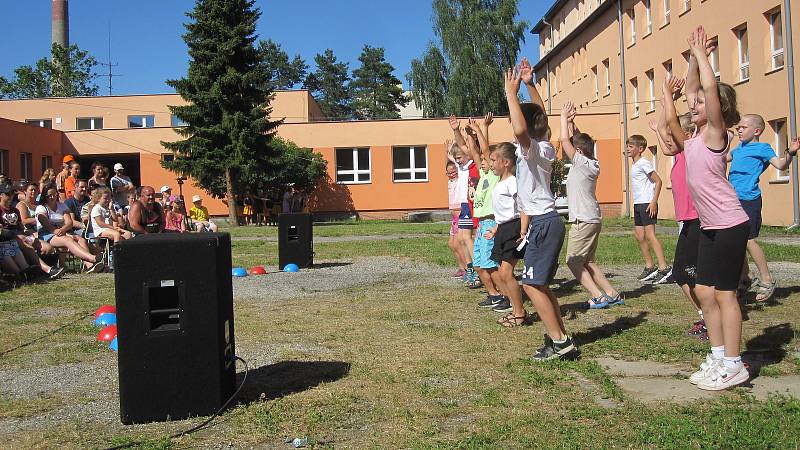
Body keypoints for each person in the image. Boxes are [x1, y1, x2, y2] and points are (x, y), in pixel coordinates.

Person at [663, 26, 750, 390]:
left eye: (698, 104)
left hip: (730, 222)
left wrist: (702, 55)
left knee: (725, 294)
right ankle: (718, 356)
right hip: (709, 224)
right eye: (692, 103)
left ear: (717, 110)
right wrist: (676, 83)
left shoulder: (716, 134)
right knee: (703, 291)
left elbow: (709, 92)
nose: (693, 105)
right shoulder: (693, 139)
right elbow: (673, 119)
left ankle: (734, 363)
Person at [505, 63, 577, 360]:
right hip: (545, 223)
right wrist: (530, 84)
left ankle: (560, 342)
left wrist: (512, 92)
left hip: (545, 223)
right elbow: (538, 118)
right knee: (539, 284)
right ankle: (558, 336)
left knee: (532, 285)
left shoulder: (533, 148)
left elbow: (522, 127)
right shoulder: (545, 146)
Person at [654, 75, 708, 340]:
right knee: (681, 274)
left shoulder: (691, 150)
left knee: (693, 275)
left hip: (700, 221)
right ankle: (705, 316)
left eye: (673, 137)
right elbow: (666, 129)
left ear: (687, 136)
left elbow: (671, 126)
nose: (667, 140)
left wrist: (667, 92)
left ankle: (711, 318)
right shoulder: (677, 155)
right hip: (687, 222)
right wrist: (668, 102)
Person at [560, 101, 623, 309]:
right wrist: (572, 122)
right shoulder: (592, 162)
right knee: (588, 261)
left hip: (583, 219)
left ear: (578, 151)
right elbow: (577, 140)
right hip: (593, 217)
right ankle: (612, 293)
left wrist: (562, 118)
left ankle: (598, 296)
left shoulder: (580, 162)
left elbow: (564, 140)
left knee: (573, 261)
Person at [729, 114, 799, 301]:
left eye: (743, 127)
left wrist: (790, 153)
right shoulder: (738, 149)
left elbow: (780, 164)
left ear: (757, 131)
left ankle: (767, 279)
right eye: (738, 128)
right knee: (736, 241)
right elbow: (719, 158)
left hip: (749, 200)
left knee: (749, 240)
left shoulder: (763, 148)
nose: (739, 130)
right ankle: (745, 278)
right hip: (732, 200)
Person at [464, 115, 507, 306]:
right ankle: (494, 294)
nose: (481, 161)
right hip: (481, 224)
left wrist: (481, 129)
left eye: (485, 160)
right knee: (479, 264)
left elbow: (485, 150)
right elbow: (475, 151)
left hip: (491, 222)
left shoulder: (493, 176)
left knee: (490, 265)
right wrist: (470, 136)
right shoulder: (482, 176)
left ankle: (506, 296)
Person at [484, 142, 525, 325]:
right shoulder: (499, 182)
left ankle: (520, 313)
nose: (491, 163)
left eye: (494, 160)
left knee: (506, 273)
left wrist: (523, 230)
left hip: (514, 228)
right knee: (501, 274)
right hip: (503, 229)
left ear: (506, 162)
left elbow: (521, 207)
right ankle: (515, 308)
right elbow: (502, 212)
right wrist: (496, 228)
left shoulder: (513, 182)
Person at [627, 134, 672, 284]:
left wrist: (654, 202)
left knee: (650, 235)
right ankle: (650, 266)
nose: (628, 149)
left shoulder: (644, 163)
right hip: (638, 204)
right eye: (627, 146)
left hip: (647, 203)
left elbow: (658, 181)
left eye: (631, 146)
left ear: (640, 149)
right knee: (639, 236)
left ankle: (664, 268)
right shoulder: (634, 164)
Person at [0, 185, 64, 280]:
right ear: (1, 195)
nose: (11, 196)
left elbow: (22, 227)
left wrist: (29, 235)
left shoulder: (15, 210)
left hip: (20, 234)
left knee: (47, 247)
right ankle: (48, 270)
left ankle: (40, 270)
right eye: (7, 194)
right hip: (8, 237)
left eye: (12, 193)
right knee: (27, 245)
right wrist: (19, 235)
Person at [35, 186, 104, 273]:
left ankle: (89, 266)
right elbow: (45, 223)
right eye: (49, 195)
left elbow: (69, 222)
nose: (52, 197)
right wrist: (56, 231)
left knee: (81, 239)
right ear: (45, 196)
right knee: (68, 240)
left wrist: (63, 229)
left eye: (54, 194)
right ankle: (93, 258)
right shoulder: (41, 207)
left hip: (62, 231)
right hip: (47, 234)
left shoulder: (61, 205)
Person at [448, 115, 481, 287]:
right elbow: (458, 148)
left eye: (460, 158)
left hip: (471, 205)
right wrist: (455, 130)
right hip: (463, 206)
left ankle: (478, 269)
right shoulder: (462, 167)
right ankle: (470, 269)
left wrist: (470, 134)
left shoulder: (473, 165)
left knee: (468, 238)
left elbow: (466, 147)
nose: (458, 161)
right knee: (462, 239)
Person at [445, 147, 466, 279]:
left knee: (458, 243)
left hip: (460, 214)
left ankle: (467, 268)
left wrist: (451, 155)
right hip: (453, 217)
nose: (452, 174)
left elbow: (459, 166)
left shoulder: (460, 180)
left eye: (453, 171)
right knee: (451, 244)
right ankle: (461, 267)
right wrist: (446, 155)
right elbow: (448, 166)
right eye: (449, 173)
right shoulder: (450, 181)